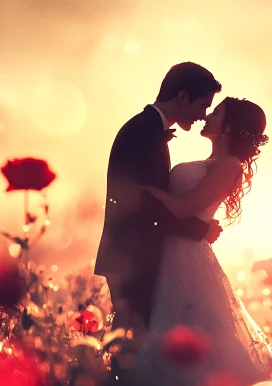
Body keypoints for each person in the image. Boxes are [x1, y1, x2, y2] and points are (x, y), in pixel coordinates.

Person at [137, 97, 272, 386]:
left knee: (185, 329)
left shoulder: (229, 165)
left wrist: (145, 191)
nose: (207, 116)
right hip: (172, 249)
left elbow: (184, 208)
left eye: (216, 112)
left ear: (228, 126)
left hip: (186, 257)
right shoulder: (212, 162)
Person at [94, 62, 224, 347]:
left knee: (134, 338)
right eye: (202, 105)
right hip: (131, 255)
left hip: (133, 253)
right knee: (131, 339)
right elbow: (142, 203)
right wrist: (198, 229)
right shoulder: (144, 132)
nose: (203, 115)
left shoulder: (148, 129)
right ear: (182, 97)